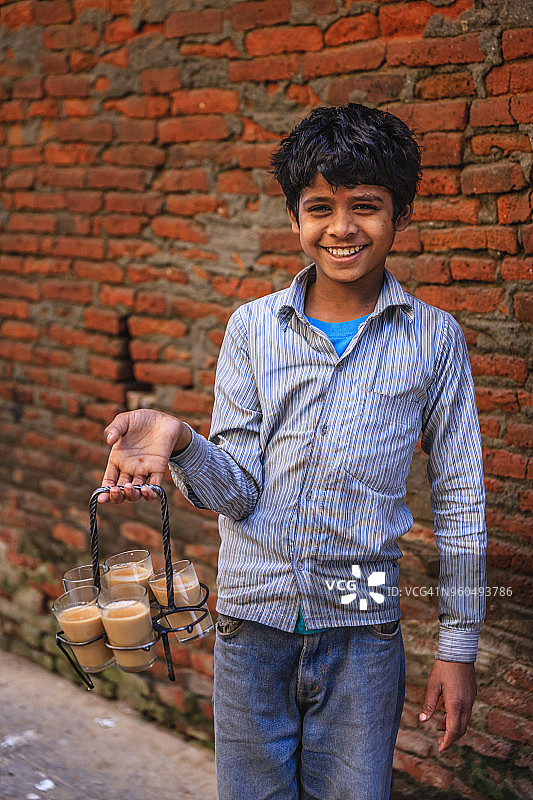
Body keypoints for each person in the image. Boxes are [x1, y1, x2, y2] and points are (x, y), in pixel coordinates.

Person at [100, 104, 486, 800]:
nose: (340, 228)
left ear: (399, 214)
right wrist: (184, 441)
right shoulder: (252, 328)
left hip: (363, 624)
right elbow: (240, 492)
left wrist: (457, 647)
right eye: (319, 208)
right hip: (252, 618)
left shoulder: (433, 337)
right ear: (294, 219)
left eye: (364, 206)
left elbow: (460, 501)